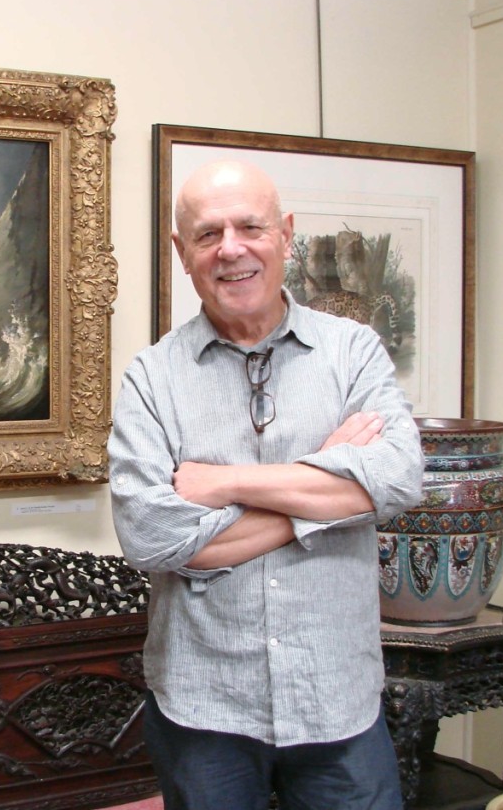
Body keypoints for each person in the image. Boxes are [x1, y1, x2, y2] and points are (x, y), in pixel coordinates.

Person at [108, 160, 424, 810]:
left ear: (285, 234)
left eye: (250, 226)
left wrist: (224, 483)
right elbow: (150, 535)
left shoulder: (354, 353)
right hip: (204, 708)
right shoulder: (151, 378)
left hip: (337, 702)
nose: (231, 247)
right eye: (208, 233)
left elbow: (396, 479)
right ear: (181, 252)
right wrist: (332, 483)